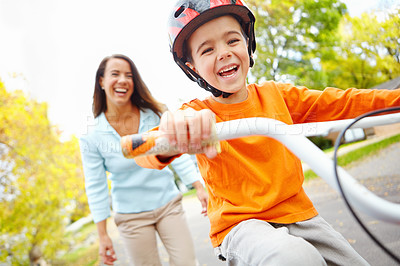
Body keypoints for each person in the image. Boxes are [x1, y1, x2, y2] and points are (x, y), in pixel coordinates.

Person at [134, 1, 400, 265]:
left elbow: (344, 102)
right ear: (192, 66)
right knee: (294, 258)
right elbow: (144, 151)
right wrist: (176, 130)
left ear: (248, 44)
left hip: (302, 217)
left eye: (232, 40)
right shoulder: (196, 114)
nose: (224, 53)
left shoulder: (279, 97)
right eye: (207, 50)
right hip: (241, 227)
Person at [79, 54, 208, 266]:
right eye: (115, 74)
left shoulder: (154, 115)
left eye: (128, 75)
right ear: (101, 81)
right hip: (131, 217)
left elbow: (177, 154)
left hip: (168, 204)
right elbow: (96, 185)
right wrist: (103, 235)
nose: (122, 80)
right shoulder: (91, 136)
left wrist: (198, 186)